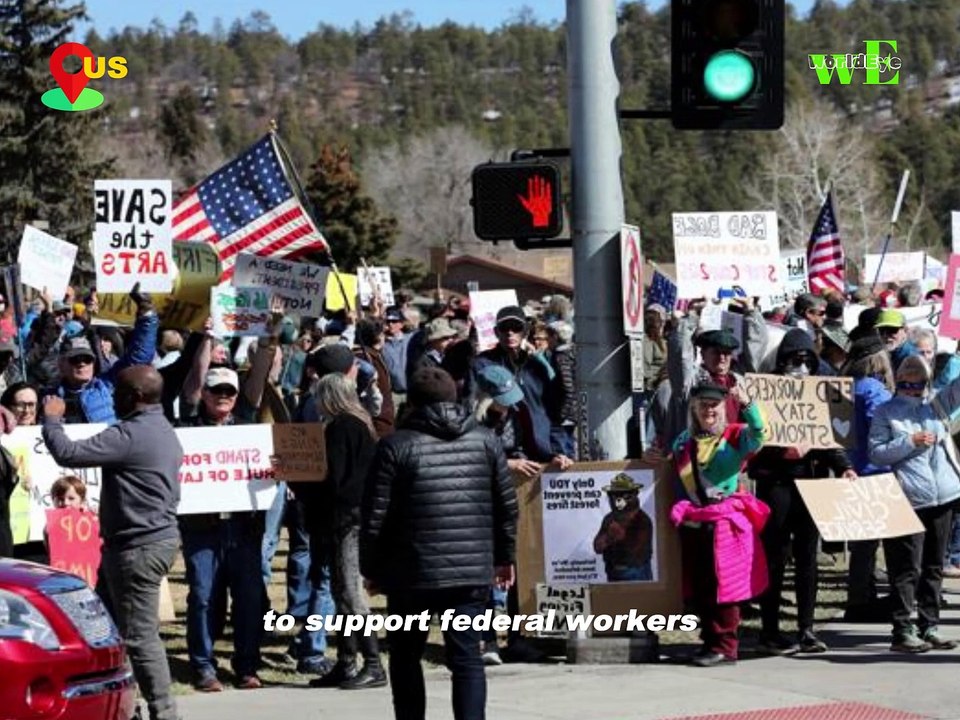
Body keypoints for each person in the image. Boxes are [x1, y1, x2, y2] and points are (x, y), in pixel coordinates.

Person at [362, 367, 518, 720]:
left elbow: (374, 518)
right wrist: (504, 557)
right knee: (467, 661)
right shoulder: (485, 441)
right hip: (470, 572)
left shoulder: (393, 446)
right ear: (454, 398)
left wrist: (371, 569)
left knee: (405, 659)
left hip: (410, 575)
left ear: (412, 404)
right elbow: (506, 507)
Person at [41, 365, 182, 720]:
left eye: (116, 392)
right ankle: (122, 705)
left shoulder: (131, 434)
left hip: (138, 546)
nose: (110, 398)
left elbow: (69, 455)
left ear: (133, 397)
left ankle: (165, 712)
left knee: (138, 636)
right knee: (108, 630)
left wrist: (53, 420)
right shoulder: (161, 427)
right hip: (141, 543)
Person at [748, 329, 856, 655]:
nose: (802, 365)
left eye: (808, 359)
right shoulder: (766, 392)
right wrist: (781, 451)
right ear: (783, 360)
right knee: (775, 557)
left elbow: (832, 438)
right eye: (796, 359)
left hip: (812, 484)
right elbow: (754, 443)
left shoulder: (821, 392)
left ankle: (806, 629)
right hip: (776, 485)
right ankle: (770, 629)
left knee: (809, 557)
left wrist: (843, 466)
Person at [669, 383, 769, 667]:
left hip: (724, 523)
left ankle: (726, 647)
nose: (709, 410)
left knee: (725, 586)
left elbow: (760, 434)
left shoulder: (736, 436)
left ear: (723, 408)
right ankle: (710, 642)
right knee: (701, 586)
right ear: (694, 408)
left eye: (714, 405)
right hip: (695, 520)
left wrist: (748, 405)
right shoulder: (682, 442)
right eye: (703, 404)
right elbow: (672, 469)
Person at [869, 355, 960, 653]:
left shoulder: (937, 403)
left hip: (944, 496)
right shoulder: (886, 412)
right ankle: (902, 628)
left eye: (919, 379)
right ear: (899, 380)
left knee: (934, 565)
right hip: (908, 498)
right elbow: (876, 452)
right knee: (907, 567)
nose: (914, 386)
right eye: (908, 380)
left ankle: (929, 624)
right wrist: (910, 442)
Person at [301, 374, 385, 689]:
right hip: (353, 518)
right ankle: (347, 661)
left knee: (350, 592)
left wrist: (300, 479)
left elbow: (331, 478)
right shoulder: (361, 424)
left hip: (346, 520)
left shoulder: (340, 427)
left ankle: (373, 663)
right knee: (340, 592)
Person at [841, 333, 895, 622]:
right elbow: (886, 424)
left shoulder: (844, 386)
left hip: (853, 469)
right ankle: (863, 599)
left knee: (863, 543)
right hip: (878, 471)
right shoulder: (874, 390)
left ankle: (859, 597)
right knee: (884, 543)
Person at [48, 284, 158, 424]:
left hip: (105, 445)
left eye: (87, 359)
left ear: (94, 363)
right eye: (75, 359)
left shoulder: (106, 385)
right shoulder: (50, 396)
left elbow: (138, 359)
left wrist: (146, 312)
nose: (82, 363)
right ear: (61, 364)